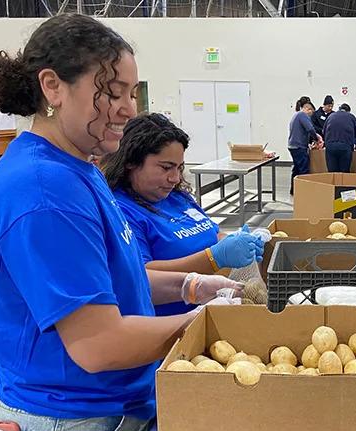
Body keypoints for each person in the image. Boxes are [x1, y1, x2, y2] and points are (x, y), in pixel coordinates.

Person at [0, 14, 241, 431]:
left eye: (133, 92)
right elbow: (98, 343)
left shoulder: (80, 169)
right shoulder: (42, 191)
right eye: (112, 92)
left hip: (111, 419)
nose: (127, 108)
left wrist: (192, 285)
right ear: (52, 86)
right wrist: (204, 323)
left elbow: (114, 280)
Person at [102, 113, 264, 316]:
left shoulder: (177, 197)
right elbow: (140, 276)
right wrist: (213, 258)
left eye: (180, 168)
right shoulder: (121, 211)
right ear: (131, 162)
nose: (175, 178)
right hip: (175, 325)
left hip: (217, 309)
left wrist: (235, 241)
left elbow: (213, 233)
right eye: (166, 167)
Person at [288, 98, 322, 195]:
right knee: (304, 169)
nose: (311, 116)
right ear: (308, 109)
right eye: (311, 112)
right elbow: (310, 128)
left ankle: (294, 190)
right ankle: (303, 192)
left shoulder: (296, 115)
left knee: (297, 169)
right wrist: (316, 138)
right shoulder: (302, 115)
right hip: (299, 147)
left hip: (293, 146)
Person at [323, 103, 356, 172]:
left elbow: (324, 131)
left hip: (330, 146)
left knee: (332, 173)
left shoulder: (331, 116)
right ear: (348, 111)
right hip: (345, 146)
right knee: (344, 173)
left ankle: (332, 182)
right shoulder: (351, 116)